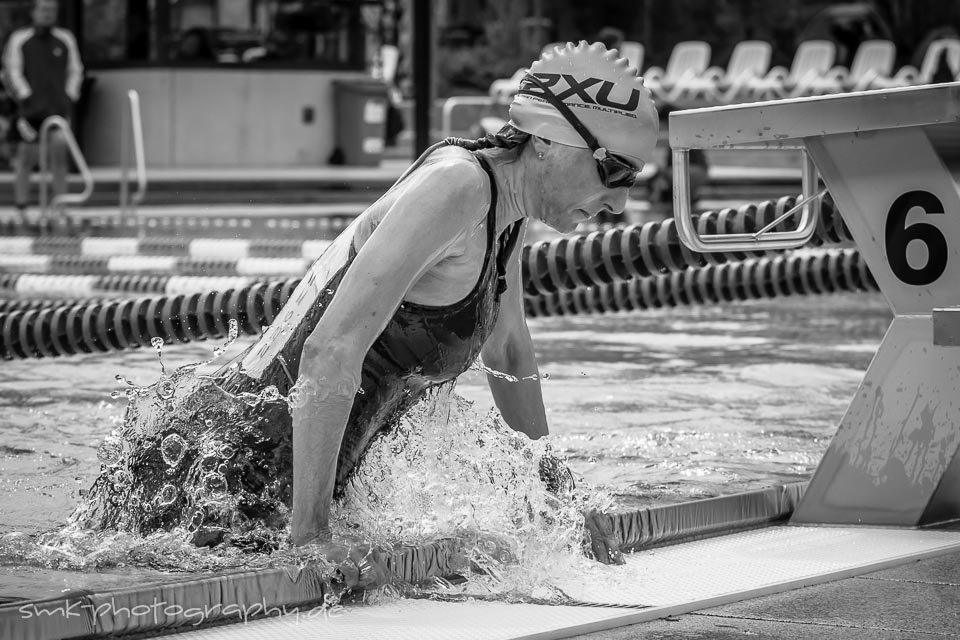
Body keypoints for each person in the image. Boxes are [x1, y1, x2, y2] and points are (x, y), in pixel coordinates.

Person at [75, 42, 659, 578]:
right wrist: (310, 539)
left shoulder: (506, 219)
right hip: (226, 472)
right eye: (613, 171)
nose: (620, 201)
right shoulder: (458, 186)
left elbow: (507, 351)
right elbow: (329, 349)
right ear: (551, 139)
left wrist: (558, 496)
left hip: (284, 480)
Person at [2, 0, 82, 232]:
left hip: (57, 112)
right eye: (44, 10)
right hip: (30, 112)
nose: (48, 15)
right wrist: (25, 97)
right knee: (26, 159)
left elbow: (75, 70)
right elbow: (12, 71)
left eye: (52, 11)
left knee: (59, 158)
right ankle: (22, 209)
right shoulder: (21, 39)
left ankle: (60, 207)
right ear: (34, 12)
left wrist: (70, 95)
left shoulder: (65, 39)